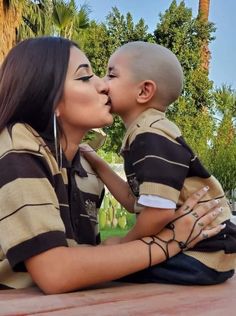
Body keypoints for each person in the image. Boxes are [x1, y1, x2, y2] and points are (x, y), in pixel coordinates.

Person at [0, 37, 224, 294]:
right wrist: (172, 241)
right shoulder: (18, 145)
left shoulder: (89, 172)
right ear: (49, 99)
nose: (103, 86)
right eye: (85, 77)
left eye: (103, 75)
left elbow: (87, 266)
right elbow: (55, 272)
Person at [81, 41, 236, 285]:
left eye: (111, 74)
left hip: (202, 254)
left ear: (144, 91)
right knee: (105, 255)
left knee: (100, 263)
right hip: (202, 254)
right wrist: (98, 162)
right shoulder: (145, 133)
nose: (101, 83)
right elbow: (136, 203)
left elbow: (158, 213)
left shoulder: (151, 136)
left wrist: (124, 244)